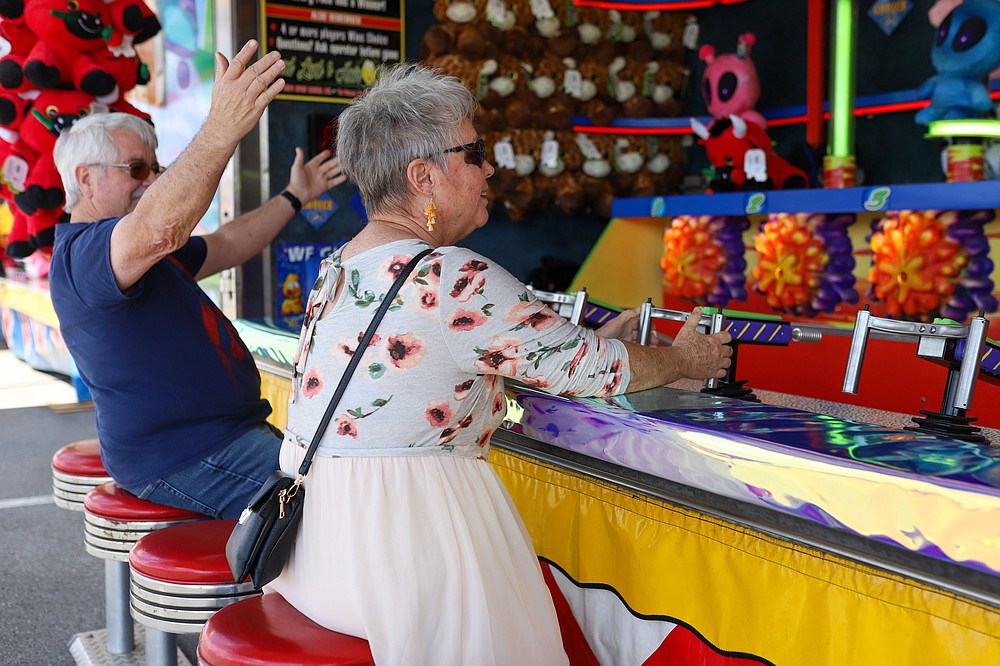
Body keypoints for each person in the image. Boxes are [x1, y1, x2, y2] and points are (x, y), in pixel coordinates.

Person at [268, 63, 732, 665]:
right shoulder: (451, 276)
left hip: (321, 554)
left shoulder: (337, 269)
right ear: (422, 176)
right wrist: (680, 358)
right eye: (474, 151)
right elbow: (594, 372)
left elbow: (431, 367)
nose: (489, 168)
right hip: (407, 555)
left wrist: (576, 342)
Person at [48, 40, 346, 519]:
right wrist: (222, 128)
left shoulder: (133, 250)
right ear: (85, 180)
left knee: (344, 486)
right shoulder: (86, 254)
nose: (150, 181)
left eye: (155, 168)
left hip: (219, 441)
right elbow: (161, 228)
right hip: (187, 456)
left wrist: (295, 196)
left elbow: (228, 243)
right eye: (137, 169)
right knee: (341, 505)